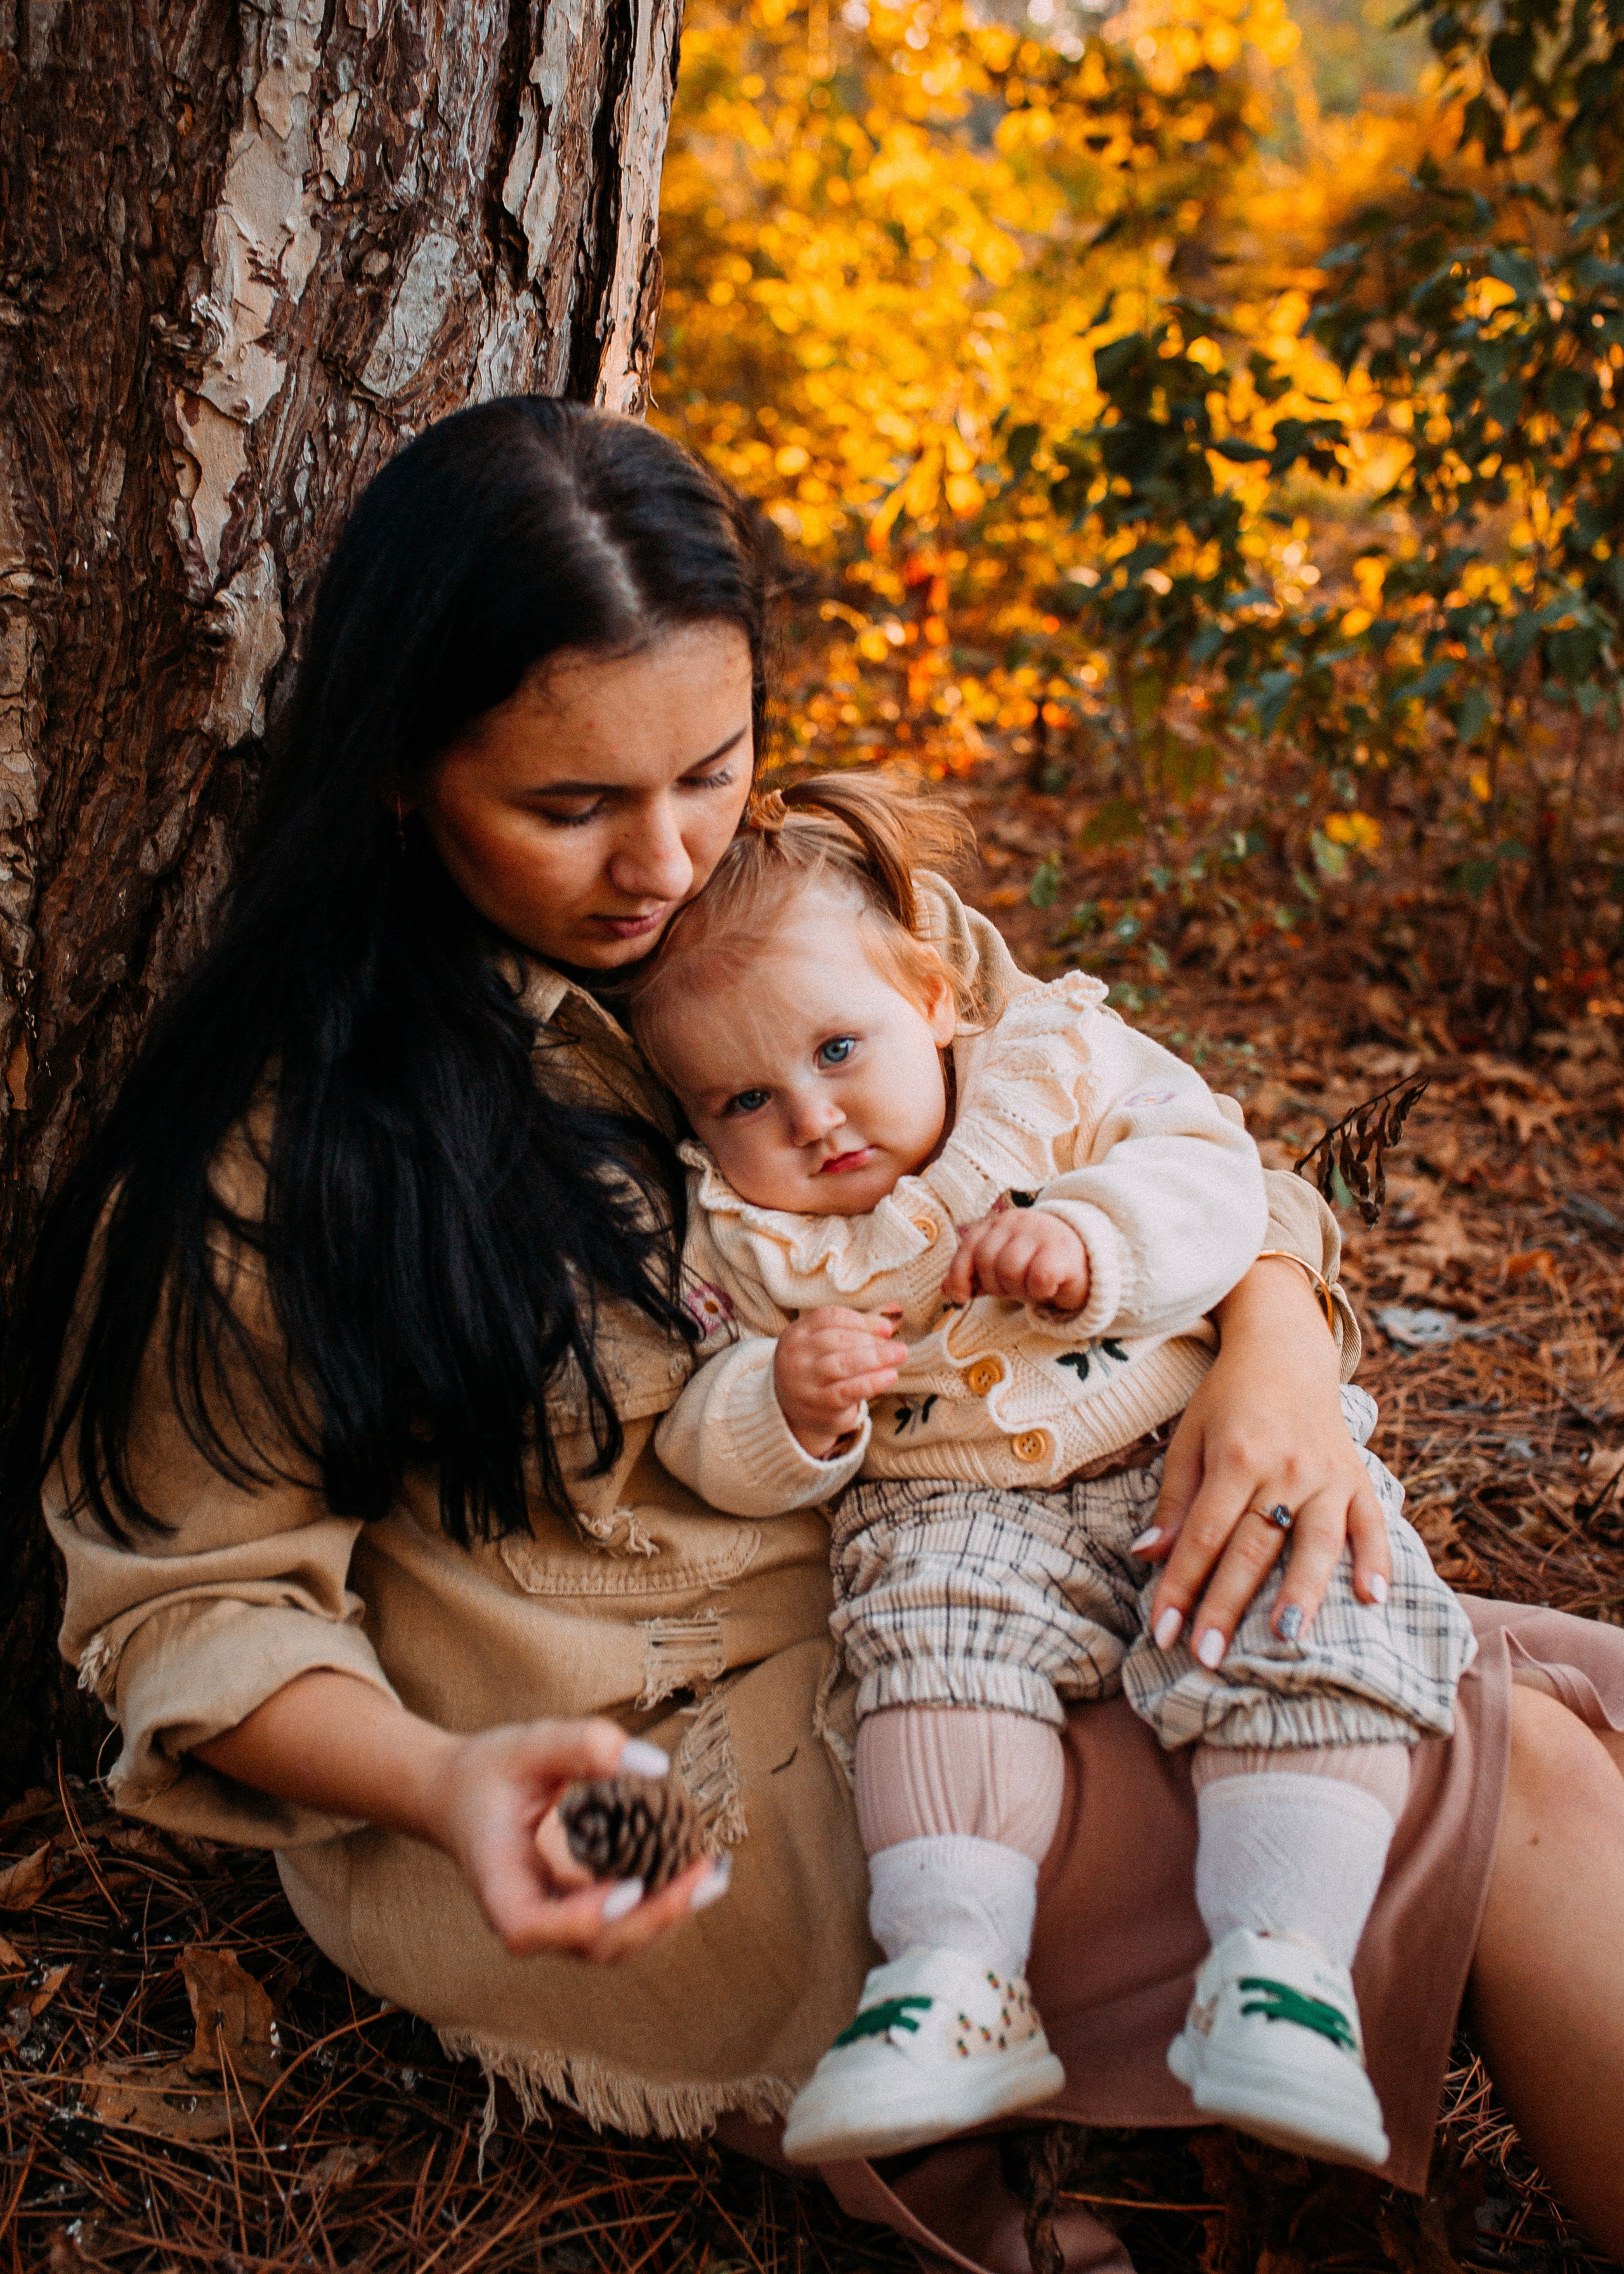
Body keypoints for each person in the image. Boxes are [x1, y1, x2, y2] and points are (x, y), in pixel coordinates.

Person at [6, 396, 1624, 2272]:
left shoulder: (818, 922)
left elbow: (1135, 1122)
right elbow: (184, 1606)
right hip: (672, 1809)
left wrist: (1276, 1361)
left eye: (712, 765)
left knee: (1579, 1696)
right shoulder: (283, 1163)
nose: (670, 861)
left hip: (1011, 1596)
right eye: (570, 807)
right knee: (1530, 1788)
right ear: (398, 778)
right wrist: (441, 1778)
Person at [630, 773, 1476, 2171]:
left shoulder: (1057, 1068)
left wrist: (1095, 1232)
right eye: (744, 1098)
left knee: (1298, 1616)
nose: (812, 1119)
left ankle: (1283, 1972)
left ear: (932, 993)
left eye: (840, 1047)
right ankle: (954, 1977)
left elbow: (1213, 1167)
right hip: (944, 1505)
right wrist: (782, 1405)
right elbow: (693, 1428)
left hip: (1173, 1447)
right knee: (929, 1660)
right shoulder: (740, 1243)